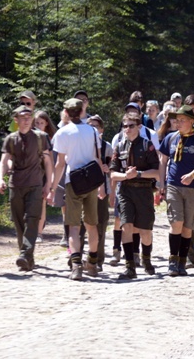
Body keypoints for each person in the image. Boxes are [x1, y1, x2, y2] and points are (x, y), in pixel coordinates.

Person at [48, 98, 105, 281]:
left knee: (73, 226)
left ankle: (76, 266)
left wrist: (51, 187)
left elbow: (60, 164)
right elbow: (97, 159)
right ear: (82, 111)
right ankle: (93, 263)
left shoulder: (62, 133)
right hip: (92, 180)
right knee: (92, 225)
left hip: (73, 181)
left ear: (66, 112)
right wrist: (102, 184)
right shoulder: (93, 131)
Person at [0, 106, 53, 272]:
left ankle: (25, 253)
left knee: (32, 219)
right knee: (19, 222)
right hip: (16, 185)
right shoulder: (11, 139)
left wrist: (48, 185)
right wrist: (0, 178)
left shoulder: (41, 137)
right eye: (23, 117)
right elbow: (3, 160)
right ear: (16, 120)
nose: (27, 119)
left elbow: (48, 163)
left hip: (35, 185)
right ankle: (28, 257)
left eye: (29, 116)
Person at [158, 105, 194, 276]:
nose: (178, 123)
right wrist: (161, 182)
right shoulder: (170, 138)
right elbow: (163, 161)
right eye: (177, 120)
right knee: (176, 223)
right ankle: (173, 261)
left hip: (193, 188)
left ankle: (182, 261)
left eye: (182, 120)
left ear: (191, 122)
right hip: (173, 185)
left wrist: (192, 174)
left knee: (188, 227)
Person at [109, 113, 160, 279]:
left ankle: (146, 259)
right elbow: (112, 173)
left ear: (139, 127)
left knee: (145, 230)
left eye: (131, 126)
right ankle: (130, 266)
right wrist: (125, 176)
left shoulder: (147, 145)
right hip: (125, 191)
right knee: (126, 226)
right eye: (125, 126)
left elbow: (157, 172)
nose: (127, 129)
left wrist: (137, 173)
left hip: (143, 191)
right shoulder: (119, 147)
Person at [87, 115, 113, 272]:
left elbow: (112, 167)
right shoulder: (83, 145)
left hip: (102, 189)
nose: (93, 128)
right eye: (90, 125)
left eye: (96, 126)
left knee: (100, 224)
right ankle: (78, 257)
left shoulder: (107, 147)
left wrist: (108, 169)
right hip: (84, 189)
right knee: (84, 225)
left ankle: (99, 258)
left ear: (102, 129)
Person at [33, 110, 58, 243]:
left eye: (41, 123)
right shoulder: (29, 136)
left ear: (46, 123)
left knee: (41, 204)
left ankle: (39, 233)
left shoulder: (48, 138)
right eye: (36, 122)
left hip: (43, 173)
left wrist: (51, 180)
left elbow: (51, 162)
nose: (38, 125)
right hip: (31, 173)